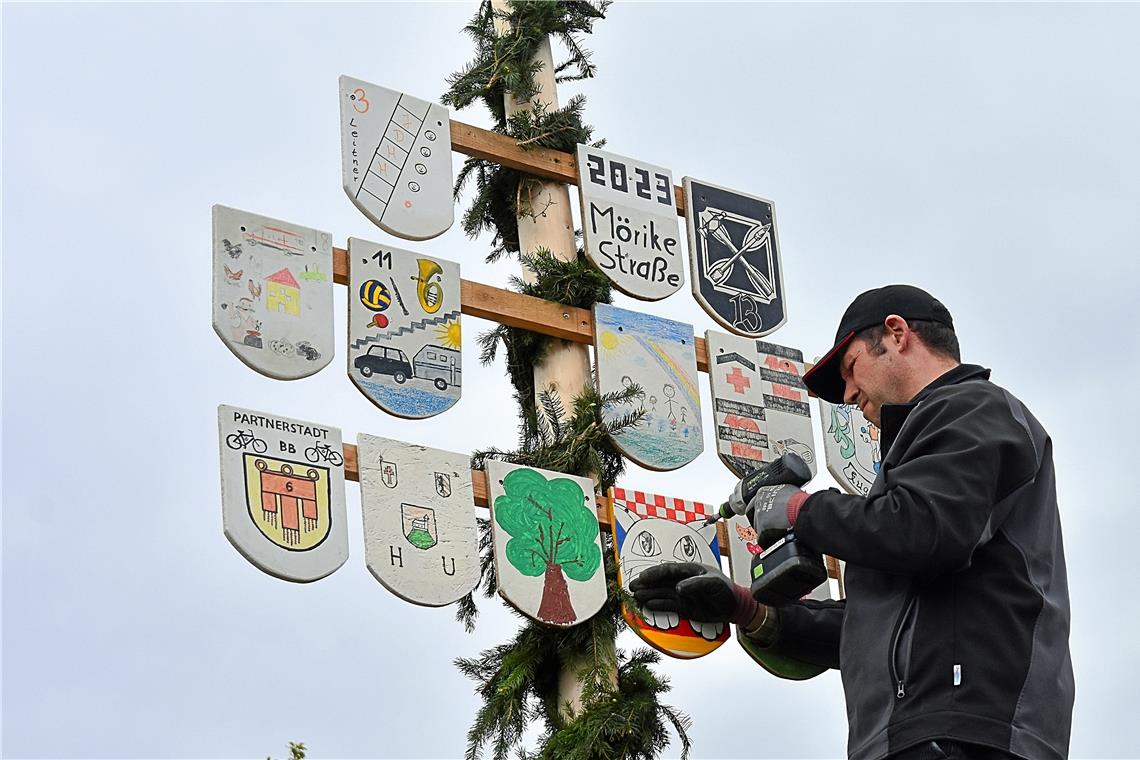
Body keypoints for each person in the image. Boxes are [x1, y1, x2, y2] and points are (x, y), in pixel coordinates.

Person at [631, 285, 1073, 760]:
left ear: (897, 334)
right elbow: (874, 628)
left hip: (967, 730)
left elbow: (925, 530)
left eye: (850, 368)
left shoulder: (972, 408)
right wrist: (749, 609)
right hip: (917, 733)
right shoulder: (920, 461)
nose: (847, 395)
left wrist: (802, 510)